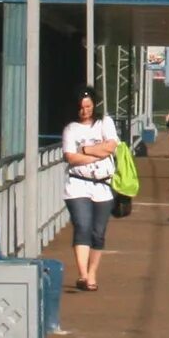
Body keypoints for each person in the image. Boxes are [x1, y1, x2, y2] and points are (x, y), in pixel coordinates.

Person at [61, 86, 121, 291]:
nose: (85, 111)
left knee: (98, 232)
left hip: (103, 185)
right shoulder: (71, 129)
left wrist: (85, 150)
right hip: (77, 184)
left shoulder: (105, 122)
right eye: (81, 107)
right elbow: (70, 157)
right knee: (82, 226)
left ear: (94, 105)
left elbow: (112, 146)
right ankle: (83, 275)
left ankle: (93, 271)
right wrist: (98, 153)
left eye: (88, 106)